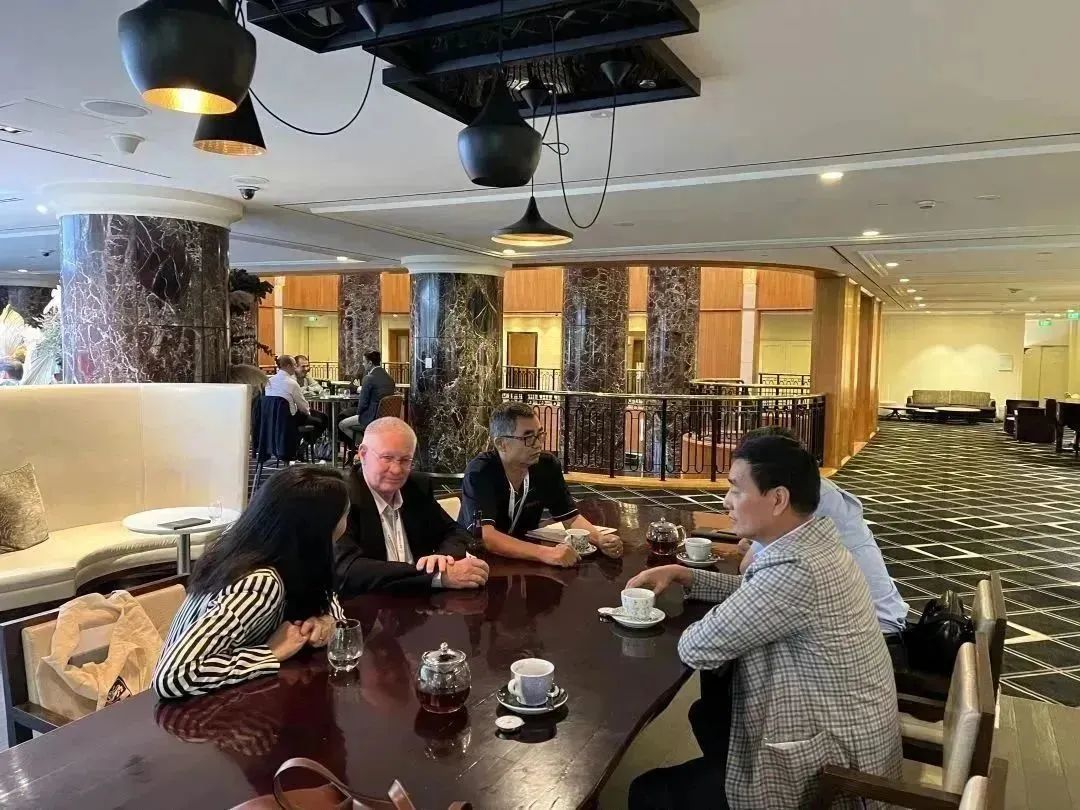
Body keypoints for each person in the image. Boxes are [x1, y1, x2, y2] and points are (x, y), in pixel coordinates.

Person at [625, 435, 902, 809]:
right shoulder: (815, 543)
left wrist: (711, 616)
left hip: (834, 779)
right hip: (843, 741)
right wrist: (686, 575)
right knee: (711, 713)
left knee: (649, 793)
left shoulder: (797, 568)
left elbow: (696, 646)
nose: (726, 502)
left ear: (777, 499)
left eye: (736, 490)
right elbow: (758, 592)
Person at [153, 466, 349, 699]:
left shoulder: (262, 548)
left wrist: (327, 621)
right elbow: (173, 676)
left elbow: (328, 599)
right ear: (318, 530)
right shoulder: (260, 583)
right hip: (197, 711)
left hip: (238, 698)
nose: (347, 522)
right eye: (344, 515)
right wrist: (269, 653)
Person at [737, 426, 909, 655]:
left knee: (743, 647)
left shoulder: (803, 501)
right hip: (872, 622)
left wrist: (758, 542)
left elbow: (747, 569)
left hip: (872, 635)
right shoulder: (815, 489)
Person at [335, 417, 490, 594]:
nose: (396, 469)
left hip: (420, 604)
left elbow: (457, 533)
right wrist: (435, 576)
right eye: (387, 458)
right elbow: (347, 570)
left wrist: (442, 560)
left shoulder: (416, 487)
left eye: (405, 460)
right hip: (369, 604)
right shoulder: (341, 497)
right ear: (363, 454)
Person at [459, 401, 623, 568]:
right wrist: (546, 553)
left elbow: (571, 517)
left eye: (540, 435)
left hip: (524, 558)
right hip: (476, 561)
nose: (538, 444)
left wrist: (600, 539)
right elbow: (486, 537)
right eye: (528, 438)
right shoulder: (480, 472)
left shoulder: (547, 466)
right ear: (501, 444)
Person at [338, 350, 397, 445]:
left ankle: (367, 446)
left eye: (364, 362)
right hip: (387, 419)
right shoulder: (390, 379)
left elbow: (363, 404)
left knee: (342, 424)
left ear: (370, 363)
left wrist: (359, 415)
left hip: (371, 418)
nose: (363, 364)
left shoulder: (369, 378)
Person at [265, 355, 328, 436]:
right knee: (321, 420)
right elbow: (303, 407)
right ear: (288, 366)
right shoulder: (292, 383)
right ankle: (308, 441)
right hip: (289, 419)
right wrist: (308, 414)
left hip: (271, 418)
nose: (295, 368)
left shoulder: (269, 381)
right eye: (294, 365)